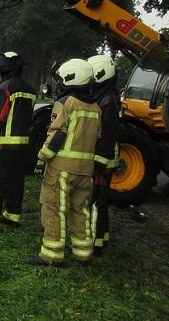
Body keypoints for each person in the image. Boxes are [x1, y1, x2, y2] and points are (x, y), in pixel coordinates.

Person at [30, 59, 101, 266]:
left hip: (62, 168)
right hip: (86, 170)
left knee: (54, 208)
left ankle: (52, 254)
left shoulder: (65, 103)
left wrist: (41, 157)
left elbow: (57, 133)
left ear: (71, 78)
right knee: (80, 209)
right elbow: (97, 136)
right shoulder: (95, 107)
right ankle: (83, 252)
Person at [0, 52, 36, 229]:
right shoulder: (30, 89)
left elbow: (0, 117)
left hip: (3, 146)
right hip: (22, 146)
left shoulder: (5, 87)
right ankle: (12, 217)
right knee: (16, 182)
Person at [87, 54, 121, 254]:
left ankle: (94, 241)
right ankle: (102, 236)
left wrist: (98, 162)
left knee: (96, 200)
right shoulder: (107, 96)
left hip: (104, 159)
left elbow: (106, 136)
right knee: (100, 200)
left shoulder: (107, 101)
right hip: (104, 157)